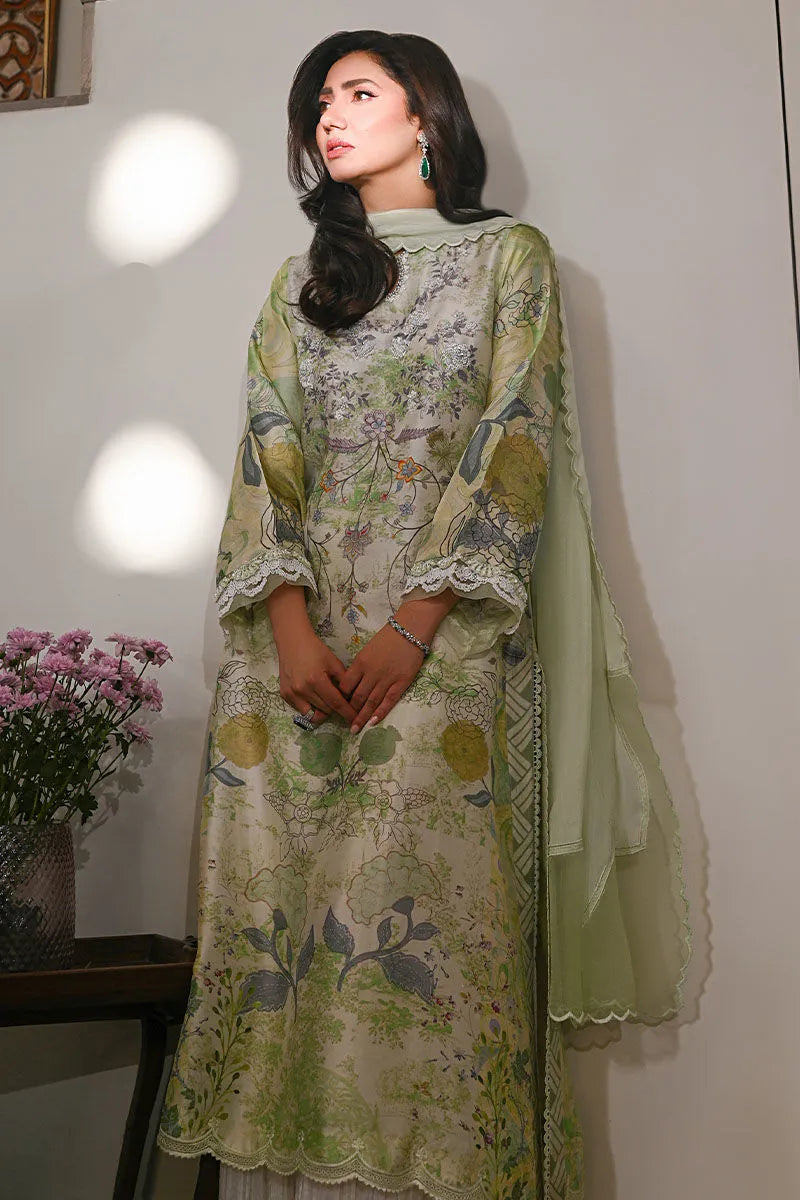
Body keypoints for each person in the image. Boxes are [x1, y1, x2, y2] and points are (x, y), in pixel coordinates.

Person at [156, 29, 691, 1200]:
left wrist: (411, 625)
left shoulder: (507, 260)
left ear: (425, 115)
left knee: (429, 930)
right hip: (290, 657)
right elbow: (265, 455)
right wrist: (290, 630)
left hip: (447, 638)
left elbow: (512, 440)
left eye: (357, 92)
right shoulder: (300, 283)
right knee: (277, 927)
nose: (328, 117)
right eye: (317, 101)